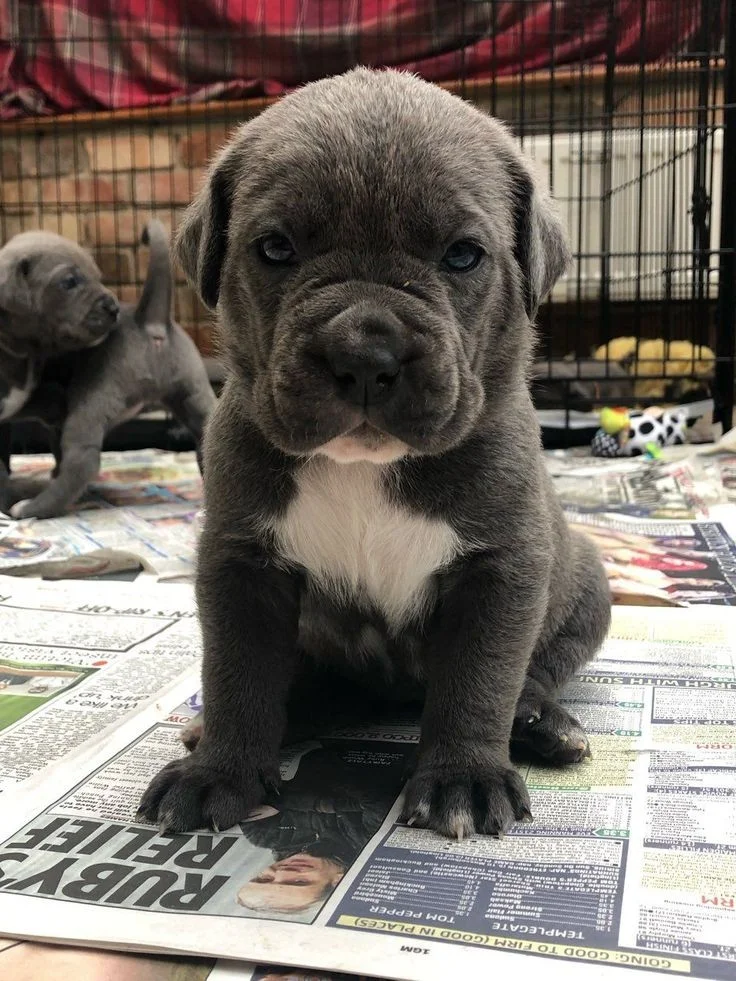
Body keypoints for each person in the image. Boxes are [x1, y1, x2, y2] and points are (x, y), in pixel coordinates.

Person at [235, 740, 409, 918]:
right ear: (337, 881)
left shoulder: (263, 835)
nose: (281, 872)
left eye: (263, 879)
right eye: (300, 882)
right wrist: (284, 801)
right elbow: (374, 794)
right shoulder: (372, 846)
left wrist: (338, 803)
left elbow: (247, 791)